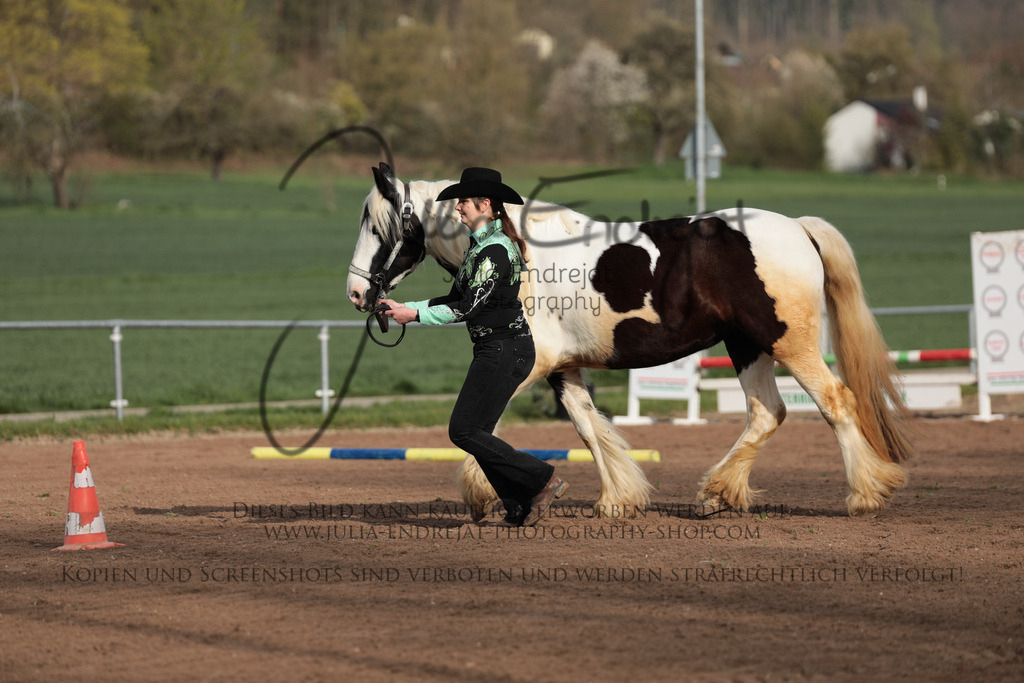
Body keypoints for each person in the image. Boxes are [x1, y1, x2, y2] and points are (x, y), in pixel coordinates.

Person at [380, 167, 567, 526]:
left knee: (463, 431)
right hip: (498, 350)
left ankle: (541, 479)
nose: (458, 208)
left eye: (463, 201)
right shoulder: (479, 249)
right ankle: (518, 503)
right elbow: (455, 297)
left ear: (484, 205)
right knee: (475, 432)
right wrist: (406, 307)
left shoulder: (495, 252)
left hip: (505, 350)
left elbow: (466, 308)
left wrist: (412, 317)